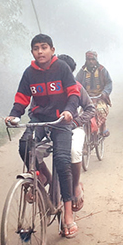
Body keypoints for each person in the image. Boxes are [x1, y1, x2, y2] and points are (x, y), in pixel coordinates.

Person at [4, 34, 80, 238]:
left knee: (63, 161)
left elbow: (74, 93)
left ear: (52, 50)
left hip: (61, 121)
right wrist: (14, 115)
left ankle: (68, 214)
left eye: (44, 47)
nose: (40, 51)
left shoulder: (62, 68)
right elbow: (22, 98)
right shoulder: (29, 73)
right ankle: (43, 175)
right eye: (36, 48)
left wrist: (69, 110)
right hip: (38, 119)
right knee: (24, 146)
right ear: (32, 53)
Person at [33, 54, 95, 212]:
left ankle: (74, 187)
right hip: (50, 131)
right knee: (33, 151)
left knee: (73, 151)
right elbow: (34, 110)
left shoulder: (76, 87)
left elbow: (90, 109)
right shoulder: (44, 87)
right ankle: (47, 178)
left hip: (73, 129)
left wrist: (75, 122)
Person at [75, 50, 113, 137]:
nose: (91, 61)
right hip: (86, 98)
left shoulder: (102, 70)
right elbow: (76, 83)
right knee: (82, 115)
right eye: (89, 59)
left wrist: (105, 93)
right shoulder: (82, 71)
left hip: (100, 97)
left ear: (96, 60)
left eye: (92, 59)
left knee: (100, 110)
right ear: (86, 60)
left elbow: (109, 83)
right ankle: (85, 136)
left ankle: (103, 127)